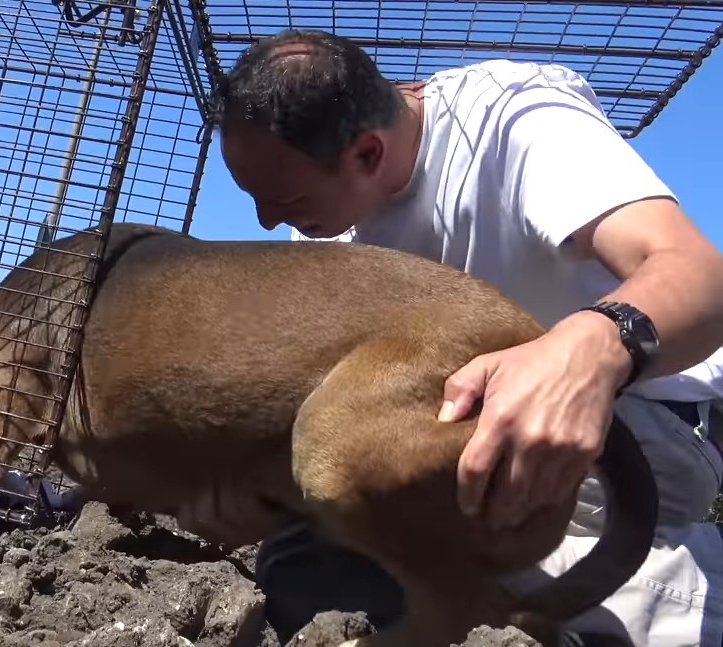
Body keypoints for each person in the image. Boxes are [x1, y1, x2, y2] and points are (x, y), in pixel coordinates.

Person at [208, 28, 723, 646]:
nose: (267, 220)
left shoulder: (515, 120)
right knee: (305, 568)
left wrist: (588, 346)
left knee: (449, 557)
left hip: (643, 416)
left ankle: (688, 599)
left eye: (284, 198)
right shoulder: (327, 220)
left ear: (368, 155)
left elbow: (699, 275)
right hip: (466, 426)